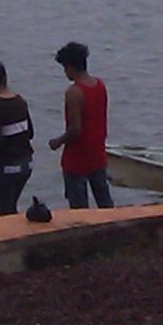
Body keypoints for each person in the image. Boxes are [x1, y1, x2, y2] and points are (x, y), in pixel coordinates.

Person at [47, 41, 111, 209]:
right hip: (97, 153)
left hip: (77, 158)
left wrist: (58, 141)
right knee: (104, 201)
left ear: (70, 68)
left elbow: (75, 130)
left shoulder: (74, 92)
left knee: (79, 208)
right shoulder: (100, 85)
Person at [0, 61, 35, 217]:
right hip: (26, 164)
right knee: (11, 208)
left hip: (7, 167)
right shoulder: (20, 101)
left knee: (3, 214)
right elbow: (29, 133)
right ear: (5, 78)